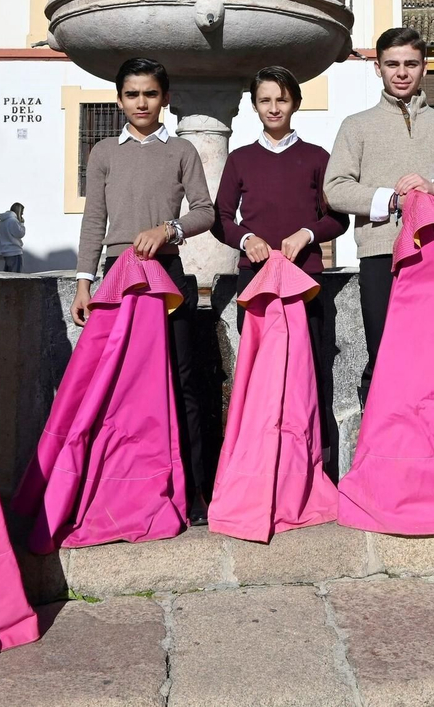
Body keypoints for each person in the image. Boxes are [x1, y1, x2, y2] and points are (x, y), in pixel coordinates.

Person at [72, 57, 219, 522]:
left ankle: (193, 490)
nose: (141, 102)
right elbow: (94, 221)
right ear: (119, 100)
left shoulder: (182, 151)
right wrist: (83, 282)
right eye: (132, 94)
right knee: (118, 383)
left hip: (168, 276)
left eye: (150, 94)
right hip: (118, 277)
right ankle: (117, 483)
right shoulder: (103, 154)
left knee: (184, 383)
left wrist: (169, 229)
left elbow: (206, 212)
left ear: (166, 99)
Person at [325, 27, 434, 406]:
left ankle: (433, 444)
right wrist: (391, 200)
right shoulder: (357, 126)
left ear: (424, 67)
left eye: (410, 64)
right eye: (392, 64)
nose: (401, 72)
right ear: (377, 68)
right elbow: (335, 188)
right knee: (382, 353)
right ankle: (381, 448)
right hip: (380, 252)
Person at [214, 66, 349, 472]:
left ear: (296, 103)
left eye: (282, 99)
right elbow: (221, 217)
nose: (274, 108)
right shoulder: (240, 160)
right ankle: (256, 463)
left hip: (304, 280)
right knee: (259, 374)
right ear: (254, 105)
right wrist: (246, 239)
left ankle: (311, 463)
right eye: (265, 100)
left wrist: (307, 233)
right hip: (254, 281)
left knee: (309, 369)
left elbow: (338, 218)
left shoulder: (317, 158)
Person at [0, 202, 26, 272]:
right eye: (22, 212)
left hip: (5, 251)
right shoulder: (13, 221)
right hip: (15, 251)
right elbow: (20, 234)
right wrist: (22, 224)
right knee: (15, 276)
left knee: (8, 276)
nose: (22, 214)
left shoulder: (2, 221)